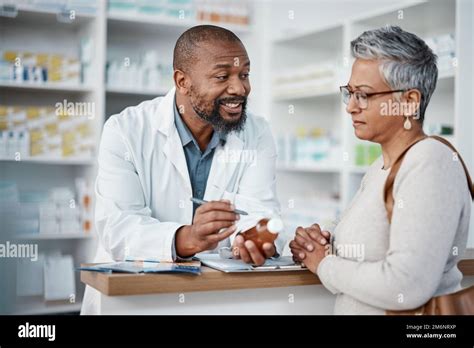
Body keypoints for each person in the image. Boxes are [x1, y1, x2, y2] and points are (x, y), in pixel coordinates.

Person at [82, 25, 284, 314]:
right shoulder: (125, 130)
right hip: (132, 300)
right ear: (182, 81)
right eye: (222, 76)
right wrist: (187, 237)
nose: (240, 88)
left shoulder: (258, 132)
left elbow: (260, 210)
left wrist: (254, 238)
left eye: (244, 74)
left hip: (215, 298)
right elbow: (118, 228)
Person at [290, 26, 472, 314]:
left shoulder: (430, 162)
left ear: (410, 101)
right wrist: (320, 241)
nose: (350, 107)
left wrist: (324, 264)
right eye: (349, 93)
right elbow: (368, 244)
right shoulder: (380, 167)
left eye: (363, 95)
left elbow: (405, 286)